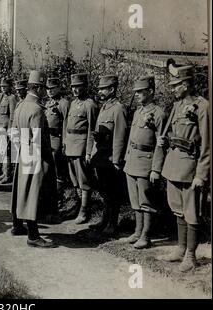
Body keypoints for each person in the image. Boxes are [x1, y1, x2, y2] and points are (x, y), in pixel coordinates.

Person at [157, 65, 210, 272]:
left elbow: (207, 144)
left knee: (192, 213)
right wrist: (165, 140)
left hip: (190, 169)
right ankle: (180, 249)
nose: (173, 89)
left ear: (186, 84)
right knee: (178, 210)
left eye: (176, 85)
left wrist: (201, 174)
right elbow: (175, 134)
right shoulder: (178, 106)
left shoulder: (202, 106)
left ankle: (190, 255)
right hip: (174, 165)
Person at [10, 70, 57, 248]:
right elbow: (39, 139)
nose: (46, 91)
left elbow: (13, 132)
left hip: (23, 152)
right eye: (44, 88)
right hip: (35, 154)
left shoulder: (21, 105)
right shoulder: (36, 109)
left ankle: (17, 225)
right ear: (37, 88)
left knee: (22, 189)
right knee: (33, 194)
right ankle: (33, 235)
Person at [120, 76, 167, 249]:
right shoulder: (138, 112)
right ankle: (137, 231)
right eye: (136, 92)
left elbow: (161, 144)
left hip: (146, 161)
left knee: (146, 199)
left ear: (151, 92)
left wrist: (156, 169)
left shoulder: (159, 114)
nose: (137, 95)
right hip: (132, 159)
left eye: (140, 92)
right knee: (135, 199)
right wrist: (126, 158)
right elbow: (131, 137)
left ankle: (146, 235)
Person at [89, 75, 128, 235]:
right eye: (99, 89)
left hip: (111, 158)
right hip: (101, 157)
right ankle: (104, 220)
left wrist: (117, 159)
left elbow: (120, 134)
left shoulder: (118, 108)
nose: (100, 91)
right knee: (105, 191)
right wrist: (93, 154)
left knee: (113, 192)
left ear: (112, 89)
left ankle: (112, 224)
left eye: (103, 89)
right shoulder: (104, 107)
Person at [63, 73, 98, 223]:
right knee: (74, 179)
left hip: (81, 145)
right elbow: (66, 125)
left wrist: (89, 151)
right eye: (73, 87)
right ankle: (78, 207)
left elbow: (92, 129)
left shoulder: (90, 104)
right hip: (70, 144)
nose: (75, 90)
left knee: (84, 180)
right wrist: (65, 142)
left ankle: (84, 211)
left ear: (85, 87)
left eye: (78, 86)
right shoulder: (72, 103)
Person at [44, 77, 70, 212]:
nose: (49, 91)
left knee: (58, 170)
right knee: (48, 169)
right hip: (48, 138)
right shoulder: (49, 103)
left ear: (59, 88)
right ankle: (50, 199)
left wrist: (65, 141)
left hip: (57, 138)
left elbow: (66, 123)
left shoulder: (63, 103)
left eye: (52, 88)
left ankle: (59, 199)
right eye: (48, 88)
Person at [0, 78, 18, 184]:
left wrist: (10, 128)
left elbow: (12, 115)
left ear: (10, 86)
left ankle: (8, 175)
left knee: (6, 151)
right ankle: (4, 173)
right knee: (2, 150)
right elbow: (0, 114)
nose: (3, 88)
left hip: (6, 128)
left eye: (5, 86)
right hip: (0, 128)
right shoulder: (2, 97)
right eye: (2, 86)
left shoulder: (12, 98)